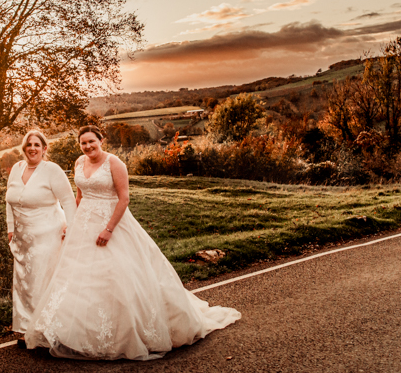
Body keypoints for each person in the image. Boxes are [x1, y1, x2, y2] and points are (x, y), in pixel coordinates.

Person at [24, 125, 240, 360]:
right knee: (78, 277)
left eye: (91, 142)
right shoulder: (79, 163)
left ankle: (123, 332)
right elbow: (79, 196)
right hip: (83, 225)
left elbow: (124, 198)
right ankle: (78, 332)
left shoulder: (114, 163)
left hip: (112, 222)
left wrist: (108, 229)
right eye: (83, 143)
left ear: (101, 141)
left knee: (117, 275)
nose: (87, 147)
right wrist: (70, 222)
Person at [5, 130, 76, 344]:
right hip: (22, 240)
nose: (32, 148)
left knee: (41, 282)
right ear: (24, 148)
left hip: (49, 235)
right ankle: (29, 330)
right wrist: (10, 228)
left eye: (37, 144)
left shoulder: (51, 170)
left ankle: (48, 331)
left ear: (44, 148)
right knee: (24, 284)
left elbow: (69, 201)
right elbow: (9, 200)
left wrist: (71, 228)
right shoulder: (16, 169)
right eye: (29, 145)